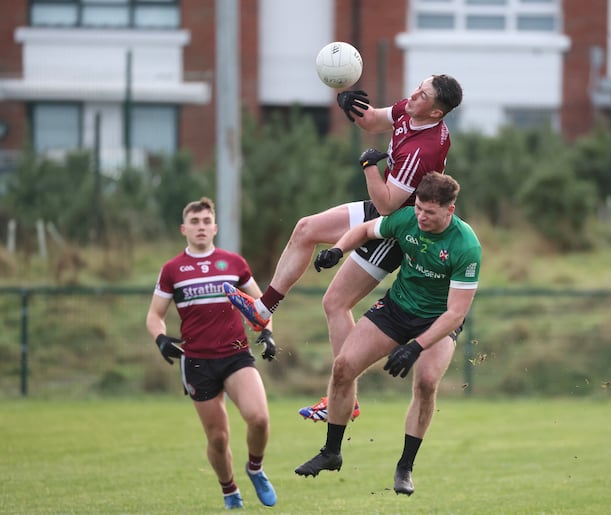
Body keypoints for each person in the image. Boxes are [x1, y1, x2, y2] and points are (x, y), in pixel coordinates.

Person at [223, 74, 464, 422]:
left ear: (436, 113)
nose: (412, 94)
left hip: (395, 229)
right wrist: (350, 104)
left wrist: (369, 167)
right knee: (305, 229)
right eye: (417, 86)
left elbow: (384, 206)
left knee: (335, 303)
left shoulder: (422, 149)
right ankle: (264, 309)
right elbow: (374, 120)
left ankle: (345, 397)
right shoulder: (412, 111)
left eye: (422, 94)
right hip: (384, 208)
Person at [293, 173, 481, 495]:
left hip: (437, 320)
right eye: (419, 208)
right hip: (396, 309)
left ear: (450, 210)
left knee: (425, 383)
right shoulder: (406, 219)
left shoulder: (465, 246)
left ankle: (405, 468)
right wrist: (338, 251)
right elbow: (366, 229)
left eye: (430, 212)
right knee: (343, 367)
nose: (421, 216)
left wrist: (415, 347)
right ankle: (331, 452)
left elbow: (456, 314)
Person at [145, 197, 278, 510]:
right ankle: (229, 490)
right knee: (218, 439)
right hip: (197, 361)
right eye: (195, 222)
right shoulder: (172, 270)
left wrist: (268, 332)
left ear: (215, 227)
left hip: (235, 355)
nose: (201, 227)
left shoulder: (234, 264)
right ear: (184, 229)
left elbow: (262, 306)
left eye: (206, 222)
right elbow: (154, 315)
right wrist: (160, 338)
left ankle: (255, 469)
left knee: (258, 418)